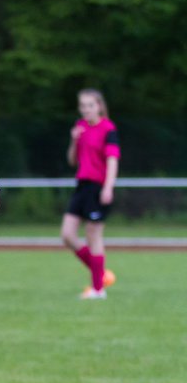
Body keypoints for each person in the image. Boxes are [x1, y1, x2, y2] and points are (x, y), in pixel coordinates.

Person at [61, 89, 120, 300]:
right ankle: (101, 274)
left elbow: (112, 161)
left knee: (93, 235)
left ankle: (98, 289)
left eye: (90, 105)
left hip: (98, 187)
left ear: (99, 106)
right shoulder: (80, 129)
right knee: (67, 235)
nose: (85, 109)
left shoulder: (108, 129)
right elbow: (72, 161)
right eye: (82, 105)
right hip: (82, 186)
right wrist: (74, 140)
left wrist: (108, 187)